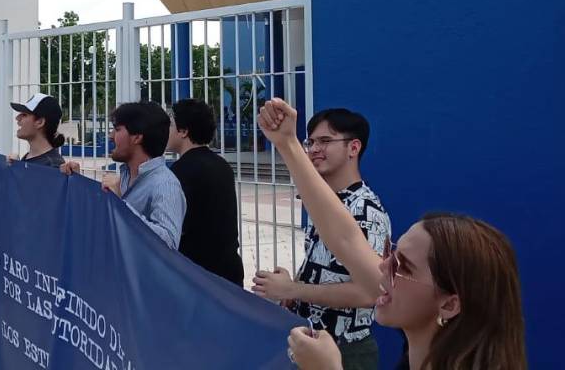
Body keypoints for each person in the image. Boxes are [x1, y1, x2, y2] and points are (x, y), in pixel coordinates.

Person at [255, 99, 527, 370]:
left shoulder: (366, 209)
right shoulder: (415, 357)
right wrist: (287, 143)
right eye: (391, 254)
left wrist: (295, 290)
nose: (382, 265)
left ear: (449, 305)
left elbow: (361, 279)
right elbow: (344, 239)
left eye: (403, 266)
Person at [251, 108, 390, 370]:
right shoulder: (328, 203)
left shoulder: (364, 209)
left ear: (354, 148)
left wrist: (293, 290)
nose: (314, 149)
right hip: (314, 344)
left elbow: (369, 293)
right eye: (311, 142)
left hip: (345, 350)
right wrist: (294, 287)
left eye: (325, 141)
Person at [61, 102, 186, 249]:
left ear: (137, 137)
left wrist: (120, 204)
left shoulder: (165, 185)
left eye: (117, 129)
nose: (110, 136)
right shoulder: (125, 178)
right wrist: (77, 181)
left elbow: (168, 244)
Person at [166, 99, 244, 285]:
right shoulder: (222, 165)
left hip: (197, 276)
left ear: (183, 131)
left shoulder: (180, 171)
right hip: (228, 271)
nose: (166, 131)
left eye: (170, 125)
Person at [10, 93, 66, 167]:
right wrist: (16, 166)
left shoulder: (52, 166)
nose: (17, 118)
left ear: (40, 122)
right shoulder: (29, 157)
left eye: (24, 115)